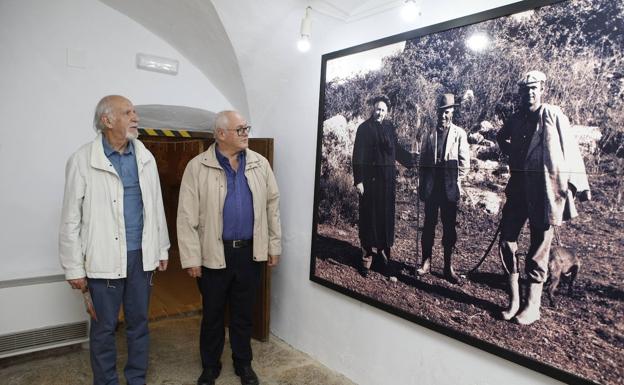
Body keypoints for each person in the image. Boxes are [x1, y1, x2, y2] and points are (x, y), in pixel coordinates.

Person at [59, 95, 170, 385]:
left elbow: (155, 206)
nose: (135, 117)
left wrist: (161, 248)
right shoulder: (83, 159)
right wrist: (74, 268)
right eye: (127, 112)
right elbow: (70, 219)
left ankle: (136, 379)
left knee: (139, 324)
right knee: (104, 329)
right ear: (107, 120)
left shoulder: (145, 156)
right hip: (103, 258)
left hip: (139, 257)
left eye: (134, 112)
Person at [177, 110, 281, 385]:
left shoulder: (260, 164)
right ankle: (210, 366)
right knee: (212, 314)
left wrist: (274, 245)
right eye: (240, 129)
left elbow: (273, 207)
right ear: (221, 134)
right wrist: (191, 258)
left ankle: (243, 363)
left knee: (244, 313)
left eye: (247, 127)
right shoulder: (197, 167)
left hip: (250, 252)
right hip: (214, 253)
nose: (246, 133)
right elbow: (186, 217)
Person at [497, 70, 591, 325]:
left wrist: (575, 186)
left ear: (541, 90)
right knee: (507, 241)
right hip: (518, 188)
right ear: (520, 92)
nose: (530, 93)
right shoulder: (516, 119)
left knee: (539, 248)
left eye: (534, 88)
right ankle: (514, 299)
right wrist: (512, 155)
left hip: (544, 190)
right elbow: (500, 137)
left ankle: (532, 306)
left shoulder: (552, 114)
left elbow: (570, 149)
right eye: (525, 89)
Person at [352, 95, 415, 277]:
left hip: (387, 183)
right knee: (368, 220)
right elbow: (357, 156)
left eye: (383, 110)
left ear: (387, 112)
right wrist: (359, 181)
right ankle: (366, 259)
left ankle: (383, 258)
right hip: (370, 184)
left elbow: (395, 149)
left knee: (384, 221)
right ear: (373, 109)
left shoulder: (389, 127)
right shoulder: (364, 129)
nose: (380, 113)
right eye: (377, 109)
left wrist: (411, 161)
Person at [416, 94, 470, 284]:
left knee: (449, 229)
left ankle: (448, 266)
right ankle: (426, 262)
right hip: (432, 187)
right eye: (440, 112)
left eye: (447, 112)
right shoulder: (429, 134)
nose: (443, 116)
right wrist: (422, 183)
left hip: (449, 189)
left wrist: (457, 182)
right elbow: (423, 161)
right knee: (429, 225)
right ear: (436, 113)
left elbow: (465, 164)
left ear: (452, 112)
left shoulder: (459, 134)